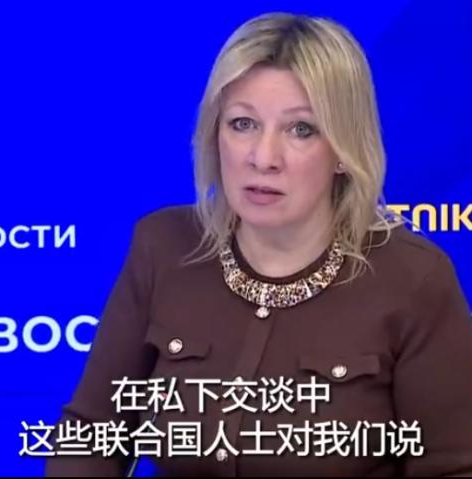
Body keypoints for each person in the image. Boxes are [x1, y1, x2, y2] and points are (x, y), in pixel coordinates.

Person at [45, 11, 472, 477]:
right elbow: (90, 436)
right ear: (215, 134)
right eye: (243, 124)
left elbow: (453, 467)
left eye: (301, 129)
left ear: (343, 151)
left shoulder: (413, 281)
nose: (263, 158)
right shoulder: (164, 247)